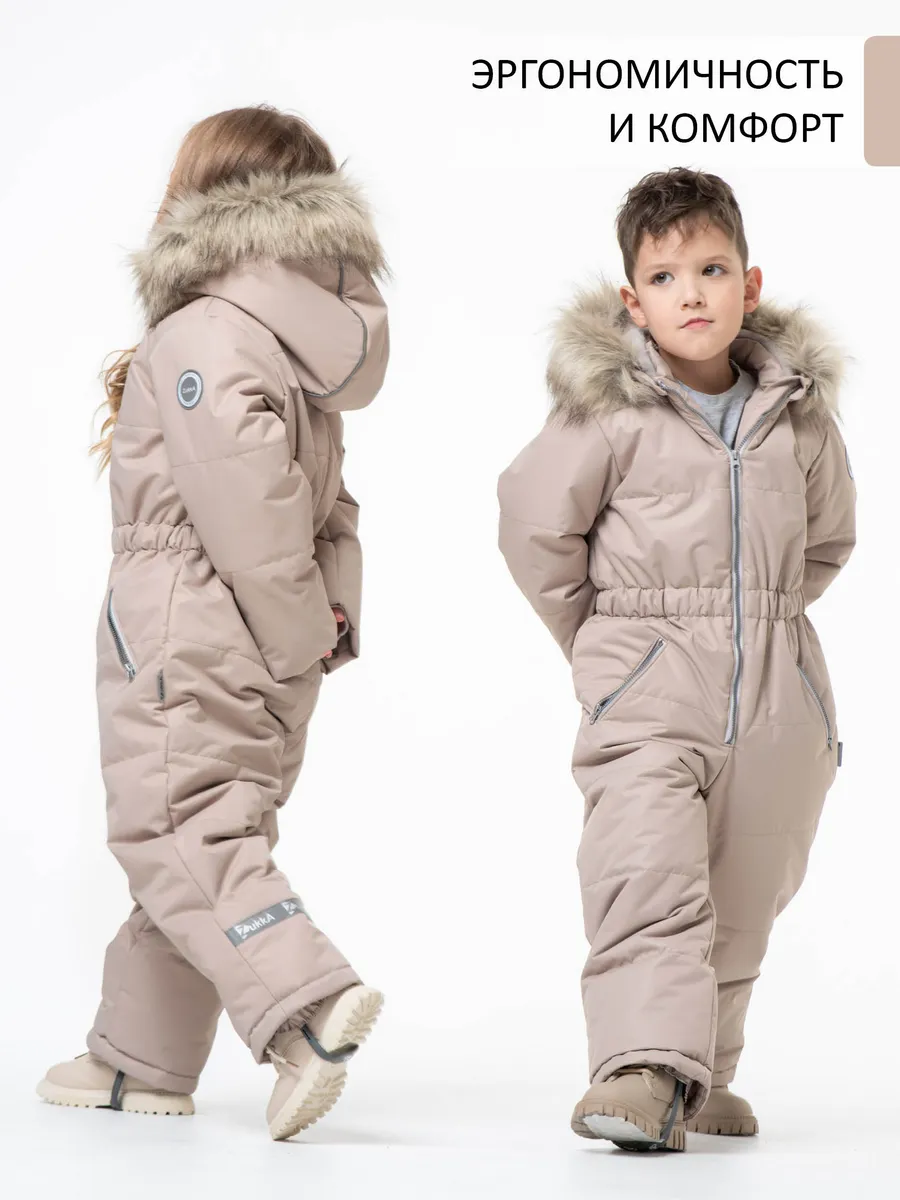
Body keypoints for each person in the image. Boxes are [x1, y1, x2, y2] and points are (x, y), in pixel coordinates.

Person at [37, 105, 391, 1141]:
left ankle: (306, 1007)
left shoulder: (204, 335)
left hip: (194, 628)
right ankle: (137, 1058)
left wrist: (291, 633)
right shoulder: (292, 349)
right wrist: (314, 633)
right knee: (207, 837)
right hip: (267, 636)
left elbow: (252, 511)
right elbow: (323, 510)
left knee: (174, 830)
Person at [497, 167, 856, 1153]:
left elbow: (828, 540)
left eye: (711, 269)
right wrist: (611, 645)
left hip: (777, 701)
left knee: (744, 895)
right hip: (650, 689)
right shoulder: (608, 413)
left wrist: (761, 625)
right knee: (646, 872)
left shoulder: (798, 414)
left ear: (750, 283)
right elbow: (534, 529)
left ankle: (702, 1075)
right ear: (633, 301)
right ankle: (639, 1069)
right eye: (664, 278)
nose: (690, 294)